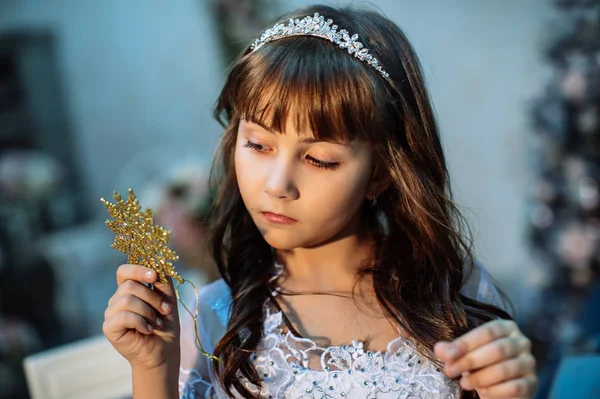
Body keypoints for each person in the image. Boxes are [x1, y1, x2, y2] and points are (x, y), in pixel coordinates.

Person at [102, 5, 538, 398]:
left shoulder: (451, 291)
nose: (277, 184)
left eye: (319, 159)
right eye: (257, 145)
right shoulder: (212, 317)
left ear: (382, 173)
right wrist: (153, 370)